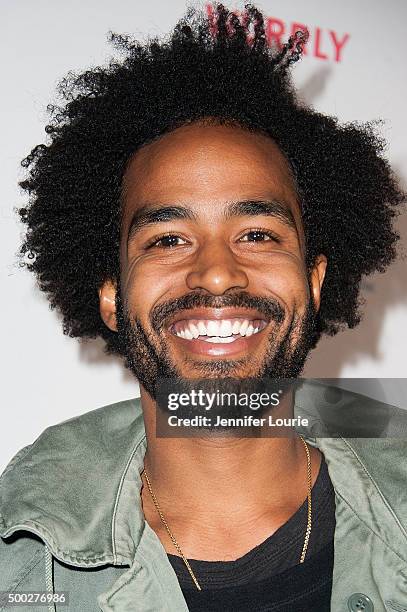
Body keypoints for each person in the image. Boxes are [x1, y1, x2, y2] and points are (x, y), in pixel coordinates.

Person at [0, 4, 406, 611]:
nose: (216, 272)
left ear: (315, 281)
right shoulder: (20, 566)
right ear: (112, 294)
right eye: (167, 240)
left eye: (258, 234)